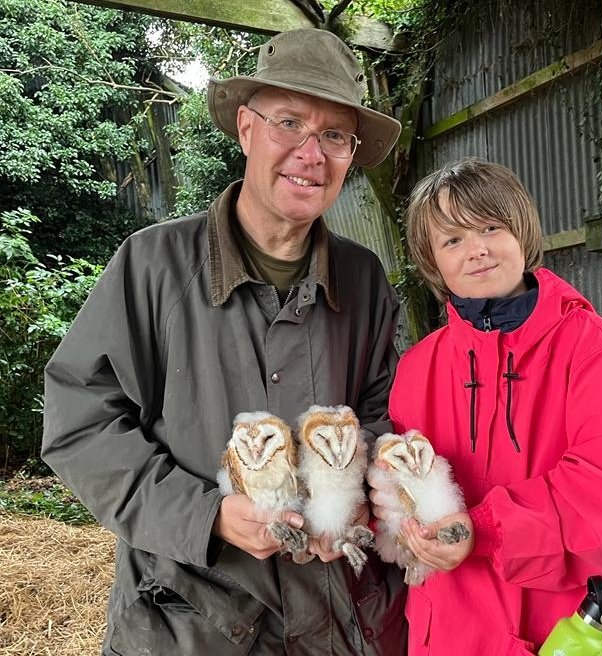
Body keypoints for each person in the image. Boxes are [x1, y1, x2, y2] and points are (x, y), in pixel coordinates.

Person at [42, 28, 407, 655]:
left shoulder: (364, 278)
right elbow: (80, 420)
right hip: (190, 622)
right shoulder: (152, 266)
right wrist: (205, 515)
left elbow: (384, 412)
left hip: (337, 620)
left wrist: (352, 500)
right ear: (245, 128)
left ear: (351, 155)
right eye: (289, 121)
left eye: (334, 136)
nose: (310, 153)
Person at [368, 158, 602, 655]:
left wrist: (482, 530)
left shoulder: (592, 349)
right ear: (432, 262)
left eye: (490, 227)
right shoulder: (419, 366)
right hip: (449, 626)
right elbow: (397, 486)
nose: (477, 250)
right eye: (452, 240)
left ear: (521, 232)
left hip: (560, 622)